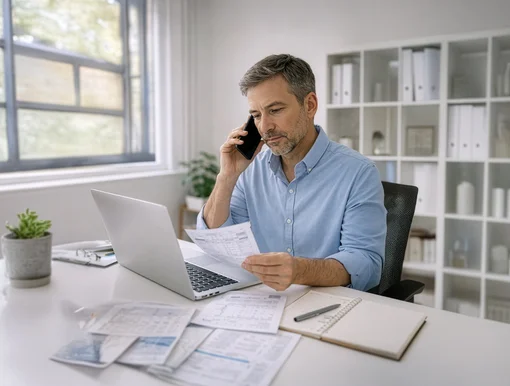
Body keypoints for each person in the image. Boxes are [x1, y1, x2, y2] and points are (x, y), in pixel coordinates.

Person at [196, 54, 386, 292]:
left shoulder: (358, 173)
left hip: (328, 307)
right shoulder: (250, 168)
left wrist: (299, 271)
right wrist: (227, 176)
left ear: (310, 105)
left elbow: (366, 264)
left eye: (275, 110)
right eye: (256, 115)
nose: (264, 127)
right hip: (260, 301)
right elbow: (219, 242)